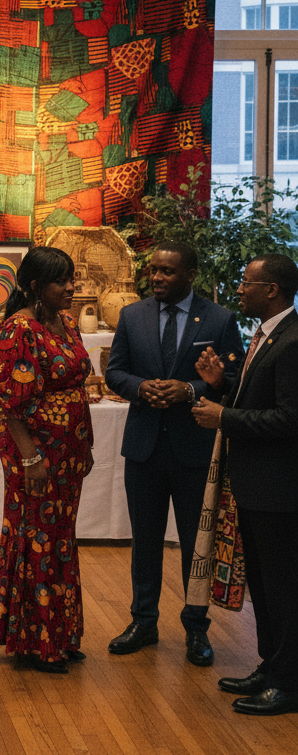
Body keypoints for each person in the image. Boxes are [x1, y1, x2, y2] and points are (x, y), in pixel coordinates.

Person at [104, 241, 244, 666]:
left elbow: (234, 377)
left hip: (195, 450)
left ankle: (196, 629)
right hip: (144, 447)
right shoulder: (132, 315)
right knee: (144, 540)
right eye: (154, 270)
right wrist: (139, 388)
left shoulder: (219, 319)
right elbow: (115, 371)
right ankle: (143, 621)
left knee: (194, 544)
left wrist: (193, 389)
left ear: (189, 275)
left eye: (167, 272)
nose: (158, 278)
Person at [192, 253, 298, 716]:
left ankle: (288, 684)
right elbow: (259, 396)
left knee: (283, 589)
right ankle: (269, 666)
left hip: (281, 492)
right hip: (256, 487)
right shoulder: (266, 336)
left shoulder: (293, 342)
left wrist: (223, 417)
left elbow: (290, 419)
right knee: (263, 584)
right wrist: (221, 385)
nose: (239, 289)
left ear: (271, 289)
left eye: (247, 282)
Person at [0, 245, 94, 673]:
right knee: (35, 537)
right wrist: (32, 460)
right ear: (34, 286)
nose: (71, 288)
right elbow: (10, 405)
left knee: (60, 535)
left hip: (69, 449)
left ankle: (60, 633)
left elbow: (78, 388)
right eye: (61, 281)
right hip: (34, 450)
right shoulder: (16, 331)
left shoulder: (65, 322)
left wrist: (88, 442)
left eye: (71, 280)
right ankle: (34, 641)